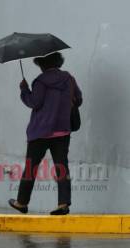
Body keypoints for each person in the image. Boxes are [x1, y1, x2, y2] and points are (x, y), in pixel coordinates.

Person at [8, 52, 83, 215]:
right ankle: (63, 204)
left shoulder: (40, 82)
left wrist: (24, 89)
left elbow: (34, 102)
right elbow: (79, 99)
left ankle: (21, 203)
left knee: (31, 168)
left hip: (40, 133)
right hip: (62, 131)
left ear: (42, 64)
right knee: (62, 168)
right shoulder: (69, 79)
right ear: (58, 62)